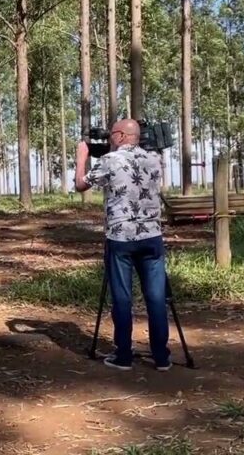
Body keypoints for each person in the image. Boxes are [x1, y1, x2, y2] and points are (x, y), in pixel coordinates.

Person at [75, 119, 172, 372]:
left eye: (111, 136)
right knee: (156, 297)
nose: (108, 139)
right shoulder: (155, 159)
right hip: (152, 237)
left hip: (121, 238)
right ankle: (161, 356)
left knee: (122, 297)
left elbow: (80, 184)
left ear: (119, 136)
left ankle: (124, 355)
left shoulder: (109, 161)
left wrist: (82, 156)